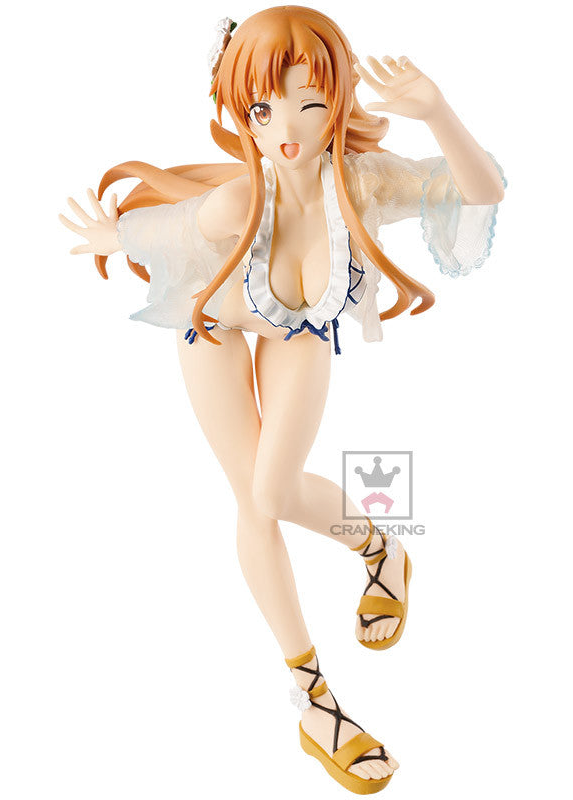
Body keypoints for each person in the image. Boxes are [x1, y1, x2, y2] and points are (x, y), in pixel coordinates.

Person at [59, 6, 506, 793]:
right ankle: (314, 702)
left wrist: (436, 111)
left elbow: (480, 192)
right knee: (255, 504)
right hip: (211, 323)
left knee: (274, 490)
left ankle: (380, 548)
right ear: (242, 113)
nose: (287, 129)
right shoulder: (237, 203)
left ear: (338, 101)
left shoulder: (363, 185)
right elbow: (172, 229)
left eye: (309, 103)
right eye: (263, 110)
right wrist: (112, 239)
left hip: (298, 329)